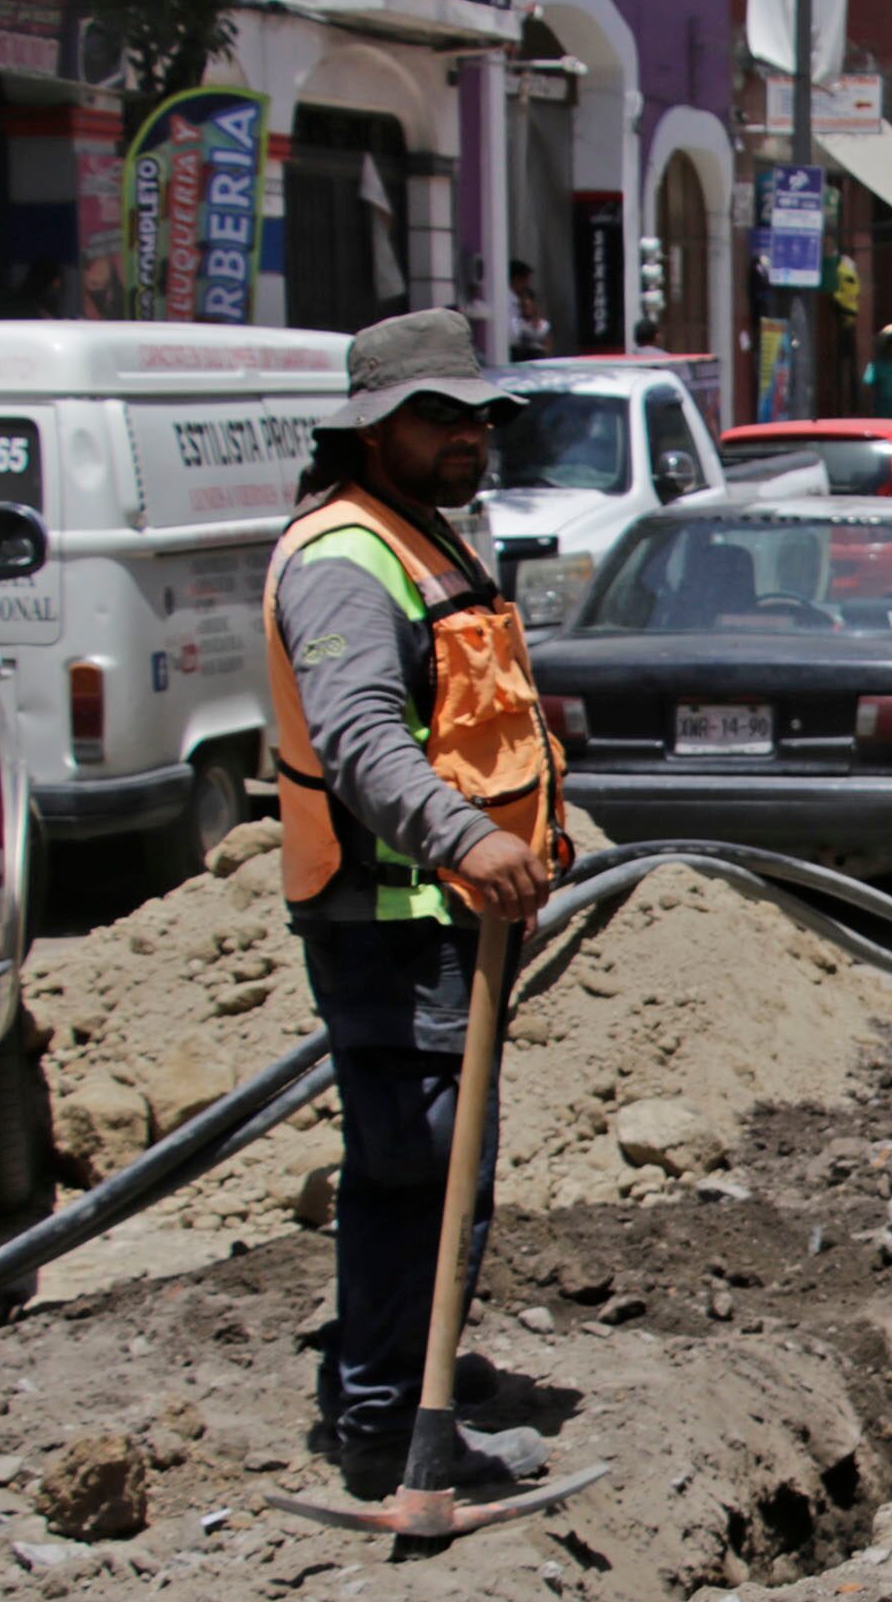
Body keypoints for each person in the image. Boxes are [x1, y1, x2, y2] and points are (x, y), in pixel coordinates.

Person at [263, 309, 569, 1500]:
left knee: (432, 1164)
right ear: (369, 430)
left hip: (446, 911)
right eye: (435, 417)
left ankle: (404, 1363)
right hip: (390, 919)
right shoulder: (349, 556)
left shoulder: (420, 532)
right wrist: (467, 840)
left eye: (475, 415)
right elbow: (361, 740)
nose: (465, 436)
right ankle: (391, 1424)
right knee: (421, 1168)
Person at [507, 260, 550, 362]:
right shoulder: (507, 300)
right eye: (526, 282)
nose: (527, 285)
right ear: (517, 280)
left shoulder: (542, 325)